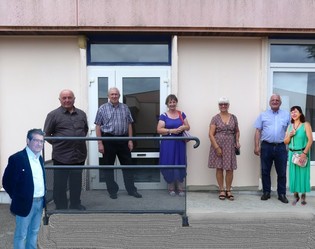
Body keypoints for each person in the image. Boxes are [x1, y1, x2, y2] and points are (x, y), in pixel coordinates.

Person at [44, 89, 88, 210]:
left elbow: (85, 130)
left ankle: (75, 203)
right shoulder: (53, 115)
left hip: (79, 155)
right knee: (60, 184)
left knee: (76, 182)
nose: (67, 100)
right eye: (64, 98)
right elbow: (46, 134)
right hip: (61, 156)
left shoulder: (81, 114)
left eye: (69, 97)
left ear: (74, 99)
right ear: (60, 100)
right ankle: (61, 206)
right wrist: (59, 143)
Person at [94, 87, 142, 199]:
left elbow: (129, 124)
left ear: (119, 96)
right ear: (108, 96)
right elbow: (98, 126)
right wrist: (100, 143)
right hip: (108, 140)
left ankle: (131, 190)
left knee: (128, 166)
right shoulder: (102, 108)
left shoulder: (125, 108)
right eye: (112, 94)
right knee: (108, 167)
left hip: (123, 140)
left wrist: (130, 140)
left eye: (116, 94)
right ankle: (112, 191)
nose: (114, 96)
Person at [2, 128, 46, 249]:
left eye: (41, 141)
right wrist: (18, 197)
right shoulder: (17, 159)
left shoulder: (40, 159)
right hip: (25, 203)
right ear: (28, 140)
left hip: (40, 201)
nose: (39, 144)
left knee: (34, 232)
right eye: (36, 140)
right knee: (21, 235)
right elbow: (6, 182)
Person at [254, 94, 290, 203]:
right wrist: (256, 146)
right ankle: (266, 192)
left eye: (277, 100)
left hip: (281, 147)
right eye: (273, 100)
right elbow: (257, 131)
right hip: (266, 146)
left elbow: (292, 131)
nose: (275, 101)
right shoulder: (263, 115)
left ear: (280, 102)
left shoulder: (287, 115)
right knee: (265, 171)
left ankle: (282, 194)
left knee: (282, 172)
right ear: (270, 102)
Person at [157, 94, 190, 196]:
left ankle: (180, 187)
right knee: (169, 162)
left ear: (176, 103)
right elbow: (159, 129)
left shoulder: (181, 114)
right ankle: (171, 187)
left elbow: (188, 126)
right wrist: (171, 130)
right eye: (170, 102)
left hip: (179, 143)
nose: (172, 104)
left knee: (180, 162)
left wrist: (182, 128)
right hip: (168, 143)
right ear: (167, 104)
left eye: (174, 102)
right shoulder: (164, 116)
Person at [208, 97, 240, 201]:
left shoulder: (234, 117)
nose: (223, 106)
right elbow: (211, 134)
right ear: (218, 106)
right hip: (218, 145)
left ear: (228, 105)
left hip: (230, 146)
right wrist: (216, 147)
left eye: (225, 104)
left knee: (229, 169)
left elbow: (237, 131)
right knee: (219, 168)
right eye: (221, 104)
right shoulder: (215, 118)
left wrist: (237, 141)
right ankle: (221, 190)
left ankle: (228, 190)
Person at [284, 106, 313, 205]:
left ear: (300, 113)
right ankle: (296, 196)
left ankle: (303, 195)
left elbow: (310, 140)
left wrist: (304, 154)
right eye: (292, 112)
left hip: (302, 153)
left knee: (303, 174)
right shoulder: (289, 126)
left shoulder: (306, 125)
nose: (293, 113)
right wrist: (290, 135)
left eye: (295, 112)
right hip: (292, 153)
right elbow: (285, 142)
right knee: (294, 175)